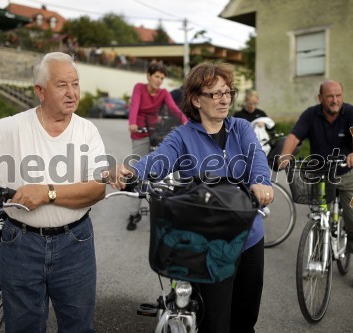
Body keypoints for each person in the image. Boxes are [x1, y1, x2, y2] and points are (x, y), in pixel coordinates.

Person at [0, 52, 107, 332]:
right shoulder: (13, 127)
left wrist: (47, 193)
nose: (72, 93)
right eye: (62, 85)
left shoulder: (87, 131)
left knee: (78, 326)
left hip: (75, 242)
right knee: (23, 327)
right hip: (21, 243)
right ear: (40, 91)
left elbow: (97, 189)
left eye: (75, 84)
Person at [111, 62, 273, 333]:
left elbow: (256, 158)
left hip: (248, 234)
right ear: (197, 99)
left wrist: (260, 182)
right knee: (215, 323)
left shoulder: (241, 128)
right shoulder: (183, 137)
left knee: (245, 320)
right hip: (208, 239)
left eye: (227, 92)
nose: (224, 100)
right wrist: (131, 171)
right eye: (215, 94)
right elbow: (158, 161)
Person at [278, 80, 353, 290]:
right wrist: (285, 155)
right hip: (321, 174)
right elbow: (294, 136)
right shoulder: (311, 114)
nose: (335, 100)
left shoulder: (352, 113)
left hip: (348, 174)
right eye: (330, 96)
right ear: (321, 98)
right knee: (319, 215)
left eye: (338, 95)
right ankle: (317, 258)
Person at [126, 62, 188, 231]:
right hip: (139, 132)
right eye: (156, 76)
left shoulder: (164, 93)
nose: (159, 80)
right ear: (148, 76)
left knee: (162, 170)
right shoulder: (139, 88)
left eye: (162, 77)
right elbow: (134, 106)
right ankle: (133, 213)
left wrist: (187, 124)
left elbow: (175, 110)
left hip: (156, 133)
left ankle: (163, 207)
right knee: (137, 172)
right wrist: (132, 123)